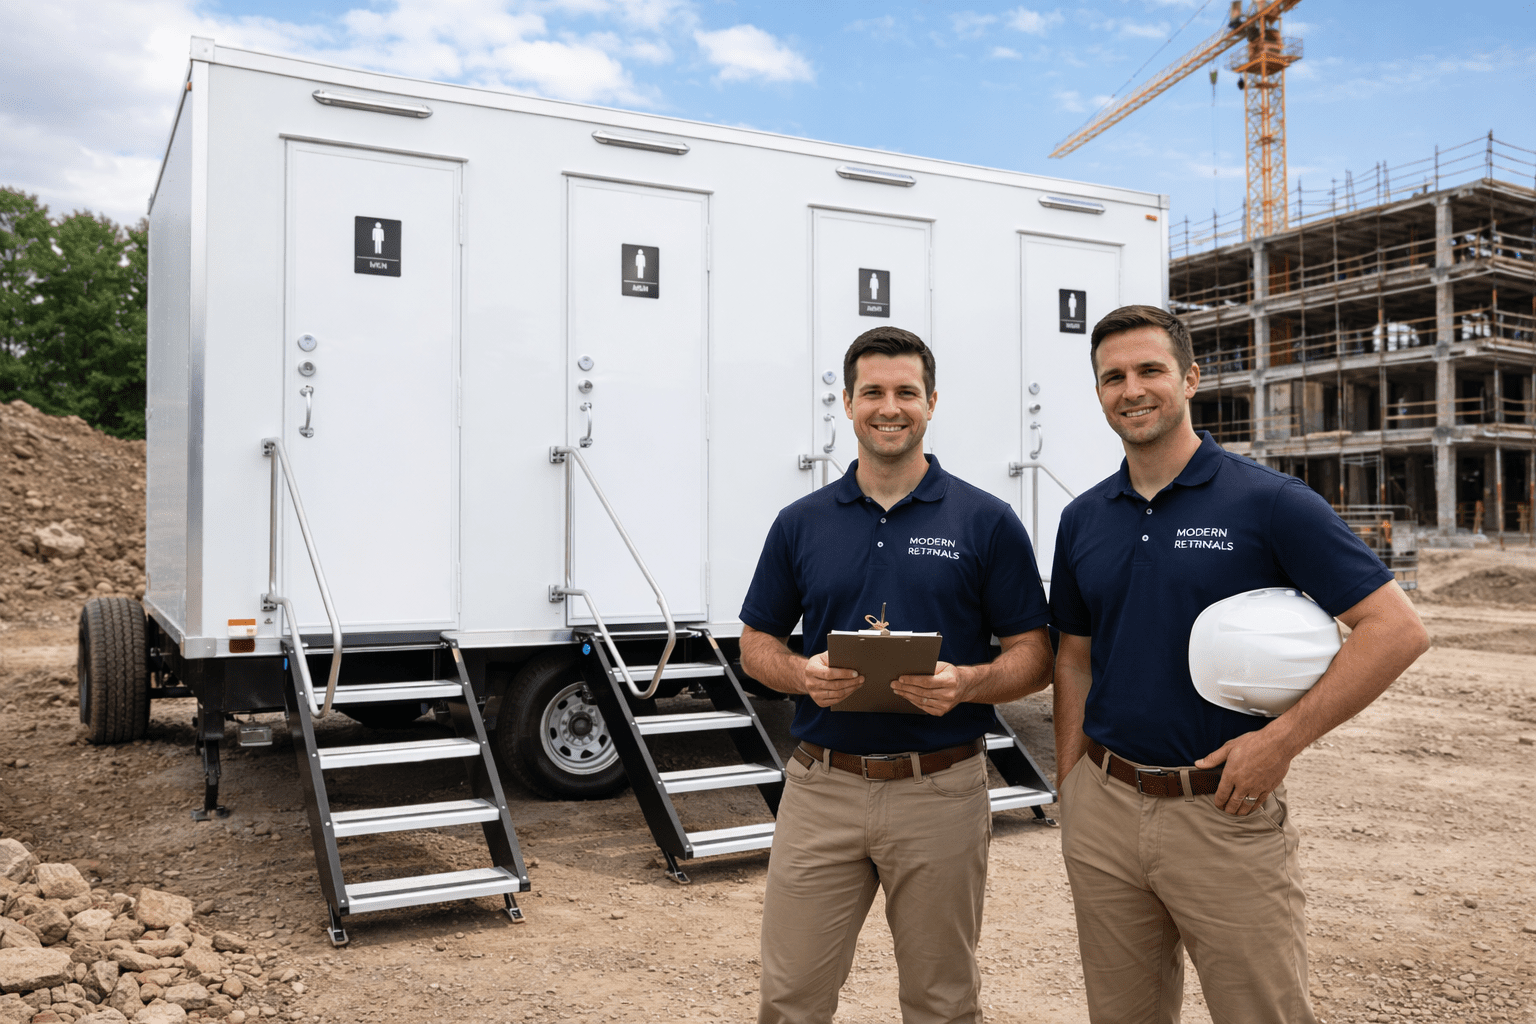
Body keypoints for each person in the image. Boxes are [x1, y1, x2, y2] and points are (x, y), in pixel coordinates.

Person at [1049, 304, 1430, 1024]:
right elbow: (1073, 659)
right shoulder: (1084, 518)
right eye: (1113, 377)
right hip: (1103, 808)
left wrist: (1280, 742)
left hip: (1222, 810)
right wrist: (1072, 786)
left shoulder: (1269, 502)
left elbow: (1395, 629)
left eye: (1150, 370)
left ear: (1190, 378)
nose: (1131, 389)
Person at [739, 325, 1055, 1024]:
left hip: (939, 789)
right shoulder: (801, 522)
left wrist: (967, 684)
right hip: (821, 788)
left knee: (942, 1002)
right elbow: (755, 641)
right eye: (873, 392)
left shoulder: (986, 520)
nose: (890, 407)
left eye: (906, 392)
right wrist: (800, 674)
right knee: (790, 999)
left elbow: (1034, 651)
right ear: (847, 404)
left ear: (932, 402)